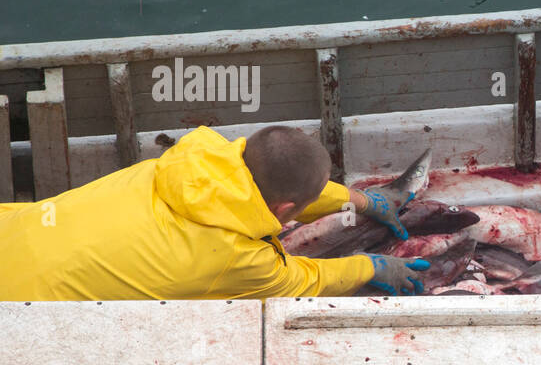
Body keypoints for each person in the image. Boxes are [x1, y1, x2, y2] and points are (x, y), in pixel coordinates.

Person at [0, 125, 431, 300]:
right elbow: (302, 280)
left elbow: (278, 188)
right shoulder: (233, 258)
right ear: (286, 210)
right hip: (21, 313)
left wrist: (362, 201)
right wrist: (372, 267)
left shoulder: (197, 159)